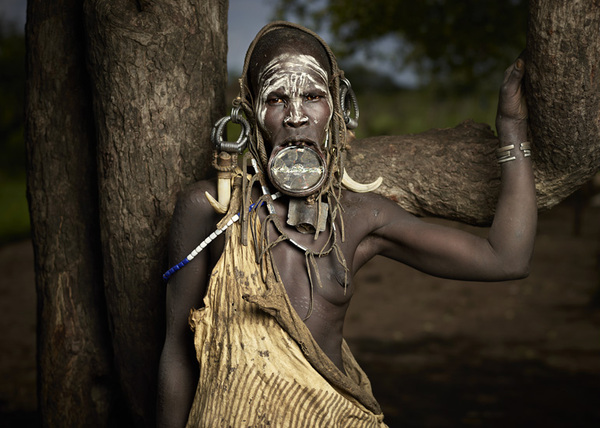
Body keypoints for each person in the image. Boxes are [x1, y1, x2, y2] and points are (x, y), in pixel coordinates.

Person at [157, 21, 536, 427]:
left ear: (337, 108)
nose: (296, 116)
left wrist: (511, 131)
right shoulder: (212, 209)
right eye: (278, 98)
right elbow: (178, 352)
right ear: (250, 113)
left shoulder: (359, 217)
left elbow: (505, 258)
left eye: (314, 96)